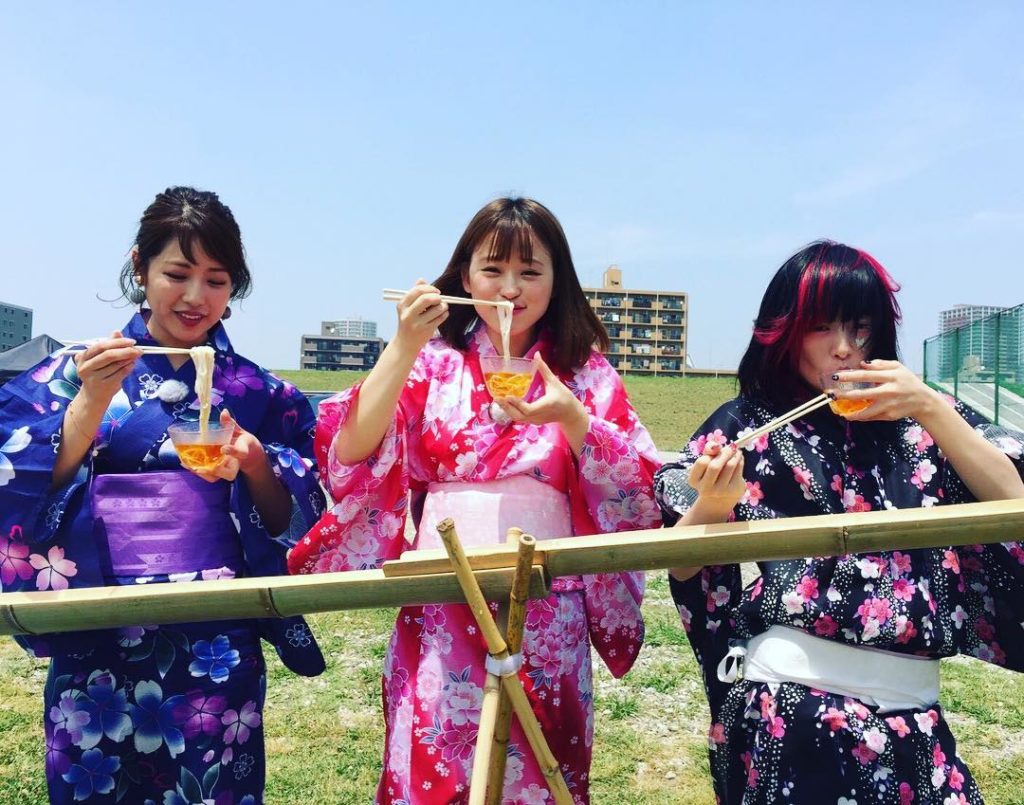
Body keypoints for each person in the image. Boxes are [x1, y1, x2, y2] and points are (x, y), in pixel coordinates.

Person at [288, 197, 661, 804]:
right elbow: (351, 449)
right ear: (464, 277)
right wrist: (405, 342)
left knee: (543, 770)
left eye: (531, 272)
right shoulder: (432, 365)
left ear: (557, 280)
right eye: (492, 270)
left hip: (546, 600)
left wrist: (573, 418)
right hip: (442, 599)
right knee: (433, 756)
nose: (510, 289)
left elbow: (636, 493)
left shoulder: (587, 376)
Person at [654, 240, 1024, 804]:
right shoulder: (747, 425)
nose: (845, 349)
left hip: (916, 715)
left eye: (860, 327)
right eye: (822, 327)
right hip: (792, 710)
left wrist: (929, 406)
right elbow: (680, 563)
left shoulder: (921, 420)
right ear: (784, 330)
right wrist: (712, 504)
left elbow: (1012, 503)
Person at [0, 186, 325, 803]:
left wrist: (256, 464)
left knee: (210, 785)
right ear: (140, 267)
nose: (196, 296)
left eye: (218, 280)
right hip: (100, 617)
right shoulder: (78, 369)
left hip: (214, 633)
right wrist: (89, 403)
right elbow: (17, 481)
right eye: (177, 273)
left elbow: (303, 506)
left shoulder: (259, 390)